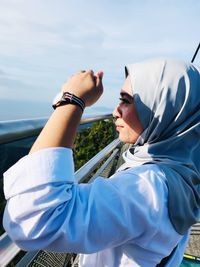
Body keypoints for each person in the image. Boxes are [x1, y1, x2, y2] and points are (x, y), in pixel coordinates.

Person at [3, 58, 200, 267]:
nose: (116, 111)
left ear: (163, 109)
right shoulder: (181, 169)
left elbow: (33, 220)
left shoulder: (147, 187)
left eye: (126, 100)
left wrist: (72, 100)